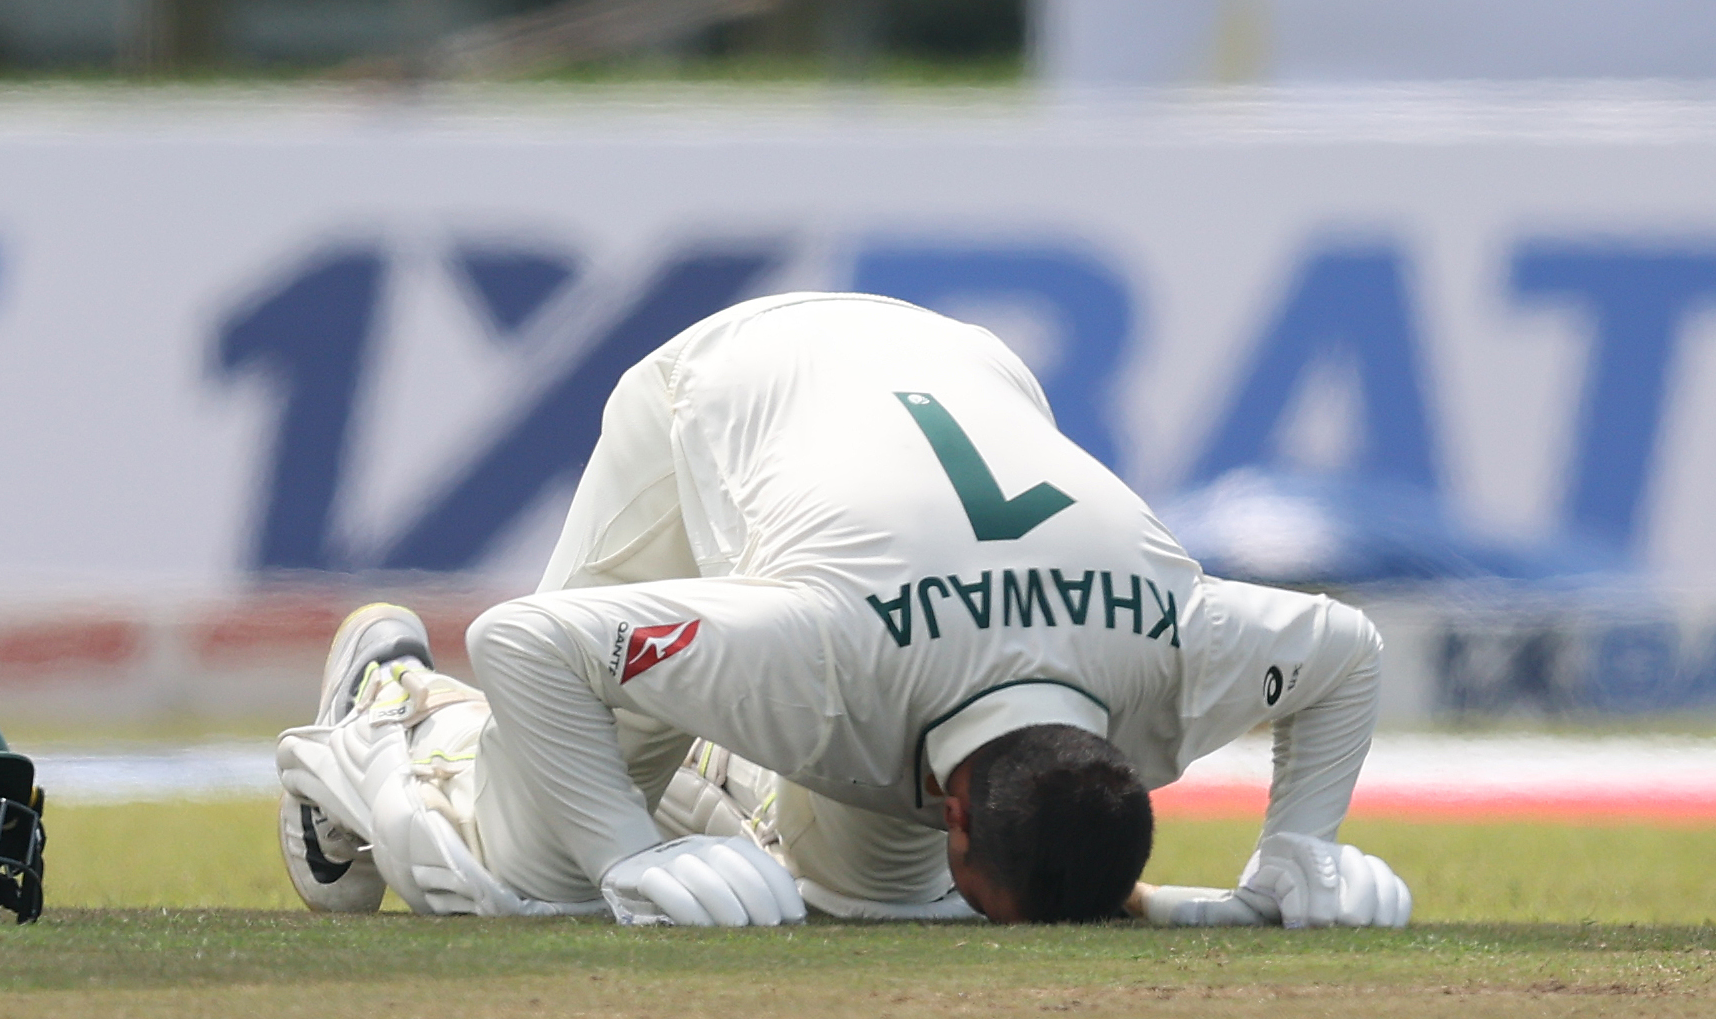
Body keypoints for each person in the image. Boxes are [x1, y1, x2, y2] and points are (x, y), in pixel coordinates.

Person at [277, 292, 1411, 928]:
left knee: (879, 896)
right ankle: (389, 709)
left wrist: (1295, 853)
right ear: (962, 813)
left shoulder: (1175, 651)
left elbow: (1346, 653)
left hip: (963, 364)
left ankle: (721, 779)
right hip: (723, 387)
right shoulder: (828, 654)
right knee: (537, 871)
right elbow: (522, 642)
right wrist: (624, 853)